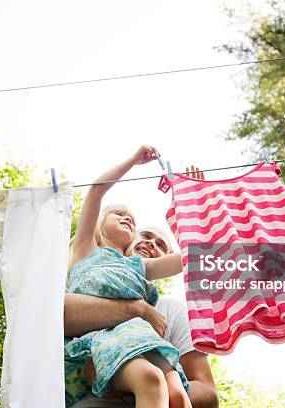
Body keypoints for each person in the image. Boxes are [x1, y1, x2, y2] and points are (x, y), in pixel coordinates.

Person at [65, 146, 192, 408]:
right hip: (107, 336)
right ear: (101, 224)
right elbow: (96, 190)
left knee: (178, 396)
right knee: (151, 380)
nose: (126, 219)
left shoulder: (137, 265)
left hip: (143, 335)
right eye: (118, 215)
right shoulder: (86, 249)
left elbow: (185, 259)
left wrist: (191, 198)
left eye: (132, 219)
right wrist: (133, 161)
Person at [65, 223, 219, 408]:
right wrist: (137, 309)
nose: (152, 243)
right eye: (145, 235)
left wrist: (148, 389)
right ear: (128, 242)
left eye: (161, 245)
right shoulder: (88, 285)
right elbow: (60, 314)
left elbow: (208, 394)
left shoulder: (173, 311)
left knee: (171, 386)